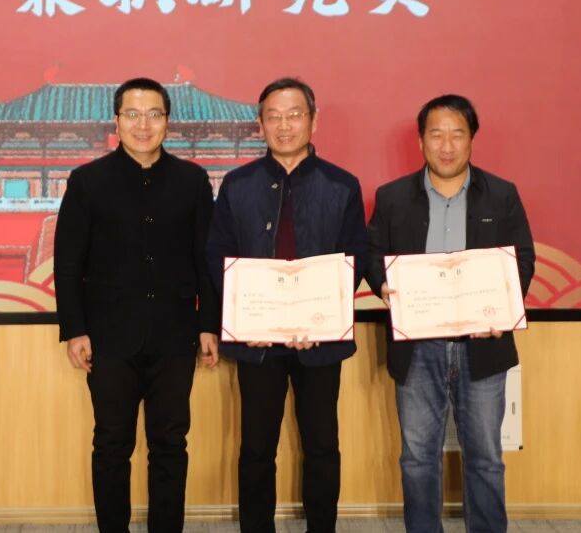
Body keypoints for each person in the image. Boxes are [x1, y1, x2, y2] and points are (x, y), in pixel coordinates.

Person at [54, 77, 220, 533]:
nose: (142, 125)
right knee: (111, 444)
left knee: (170, 444)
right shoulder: (87, 182)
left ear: (167, 121)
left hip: (175, 334)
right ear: (116, 121)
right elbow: (68, 263)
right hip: (108, 337)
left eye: (153, 115)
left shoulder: (191, 180)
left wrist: (208, 324)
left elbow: (205, 258)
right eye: (132, 114)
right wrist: (75, 329)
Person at [365, 94, 535, 533]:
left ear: (472, 139)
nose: (446, 145)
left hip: (484, 346)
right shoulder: (392, 197)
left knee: (485, 458)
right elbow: (371, 253)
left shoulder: (501, 195)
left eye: (456, 134)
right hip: (417, 348)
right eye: (436, 134)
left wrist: (502, 309)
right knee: (417, 457)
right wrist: (383, 285)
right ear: (420, 141)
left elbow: (523, 261)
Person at [206, 77, 366, 533]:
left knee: (322, 445)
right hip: (257, 341)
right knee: (257, 447)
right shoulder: (237, 185)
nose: (284, 125)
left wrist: (320, 318)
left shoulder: (342, 185)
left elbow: (354, 256)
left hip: (321, 339)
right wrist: (245, 318)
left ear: (314, 120)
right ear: (260, 124)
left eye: (294, 115)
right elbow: (218, 255)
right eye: (273, 117)